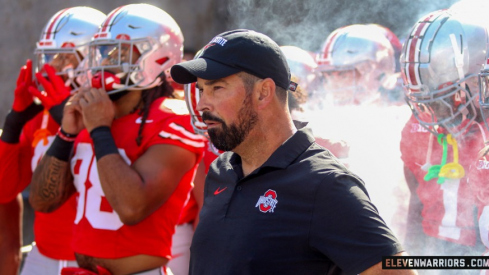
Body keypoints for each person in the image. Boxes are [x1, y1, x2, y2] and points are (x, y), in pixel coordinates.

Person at [170, 29, 415, 275]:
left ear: (263, 92)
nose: (202, 104)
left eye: (217, 88)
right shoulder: (221, 170)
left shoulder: (324, 184)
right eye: (202, 90)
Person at [29, 4, 205, 274]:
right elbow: (43, 202)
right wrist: (66, 133)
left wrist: (100, 130)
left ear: (158, 56)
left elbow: (132, 207)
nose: (104, 62)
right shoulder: (96, 110)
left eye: (120, 52)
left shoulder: (174, 118)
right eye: (102, 51)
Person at [0, 6, 106, 274]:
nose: (52, 66)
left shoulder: (110, 111)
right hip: (43, 255)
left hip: (97, 258)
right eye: (49, 56)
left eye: (63, 57)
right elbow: (5, 189)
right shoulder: (41, 114)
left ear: (93, 58)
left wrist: (68, 124)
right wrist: (12, 127)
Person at [399, 8, 488, 264]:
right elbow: (416, 203)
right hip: (436, 254)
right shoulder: (417, 125)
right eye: (427, 102)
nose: (438, 114)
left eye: (450, 98)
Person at [316, 23, 399, 106]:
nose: (333, 86)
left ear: (376, 73)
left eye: (343, 75)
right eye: (329, 76)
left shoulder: (401, 113)